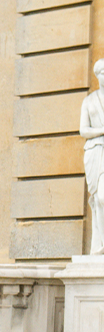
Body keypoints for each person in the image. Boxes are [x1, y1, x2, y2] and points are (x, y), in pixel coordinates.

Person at [81, 60, 104, 254]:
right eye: (103, 73)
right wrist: (101, 130)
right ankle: (99, 246)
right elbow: (83, 130)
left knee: (103, 197)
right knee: (98, 199)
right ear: (98, 76)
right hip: (95, 151)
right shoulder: (89, 101)